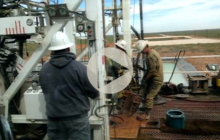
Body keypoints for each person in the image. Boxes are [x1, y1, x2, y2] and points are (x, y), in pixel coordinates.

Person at [39, 31, 99, 140]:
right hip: (77, 119)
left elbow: (45, 90)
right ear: (68, 48)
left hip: (54, 119)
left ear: (53, 50)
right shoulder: (79, 68)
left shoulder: (44, 69)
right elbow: (93, 92)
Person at [135, 40, 163, 120]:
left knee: (149, 97)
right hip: (154, 79)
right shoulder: (152, 52)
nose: (142, 53)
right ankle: (145, 107)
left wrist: (145, 80)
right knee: (145, 92)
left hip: (156, 80)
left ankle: (146, 114)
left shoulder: (150, 56)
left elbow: (153, 71)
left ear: (146, 47)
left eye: (142, 50)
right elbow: (150, 69)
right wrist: (145, 78)